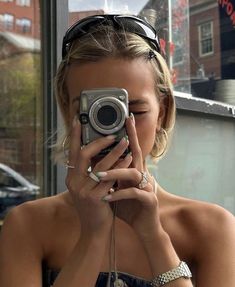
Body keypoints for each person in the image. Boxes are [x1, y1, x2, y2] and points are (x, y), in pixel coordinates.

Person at [0, 14, 234, 287]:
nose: (114, 127)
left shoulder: (213, 229)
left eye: (133, 110)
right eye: (95, 111)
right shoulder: (28, 226)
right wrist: (92, 236)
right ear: (68, 113)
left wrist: (154, 235)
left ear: (163, 111)